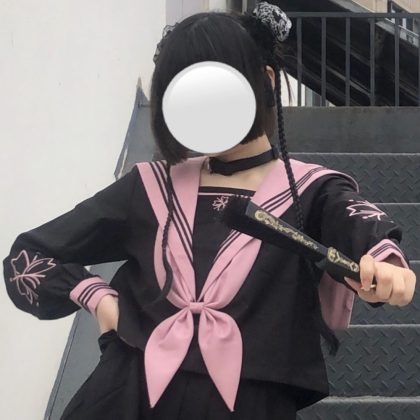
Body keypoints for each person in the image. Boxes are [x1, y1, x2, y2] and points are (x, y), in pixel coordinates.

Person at [2, 3, 416, 420]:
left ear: (266, 81)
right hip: (125, 397)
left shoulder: (313, 188)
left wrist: (386, 263)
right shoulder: (150, 185)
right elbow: (27, 257)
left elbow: (360, 223)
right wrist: (98, 298)